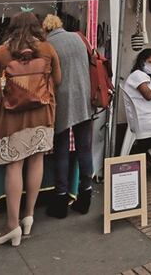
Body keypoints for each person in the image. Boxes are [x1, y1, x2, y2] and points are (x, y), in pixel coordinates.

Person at [0, 12, 62, 246]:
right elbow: (57, 81)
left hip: (11, 115)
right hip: (42, 112)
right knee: (36, 161)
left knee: (14, 166)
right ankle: (29, 215)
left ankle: (11, 225)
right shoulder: (48, 49)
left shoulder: (1, 52)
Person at [43, 14, 94, 220]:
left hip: (62, 98)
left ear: (46, 29)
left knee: (62, 149)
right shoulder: (79, 38)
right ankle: (86, 194)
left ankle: (61, 198)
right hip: (84, 95)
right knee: (84, 148)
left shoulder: (48, 44)